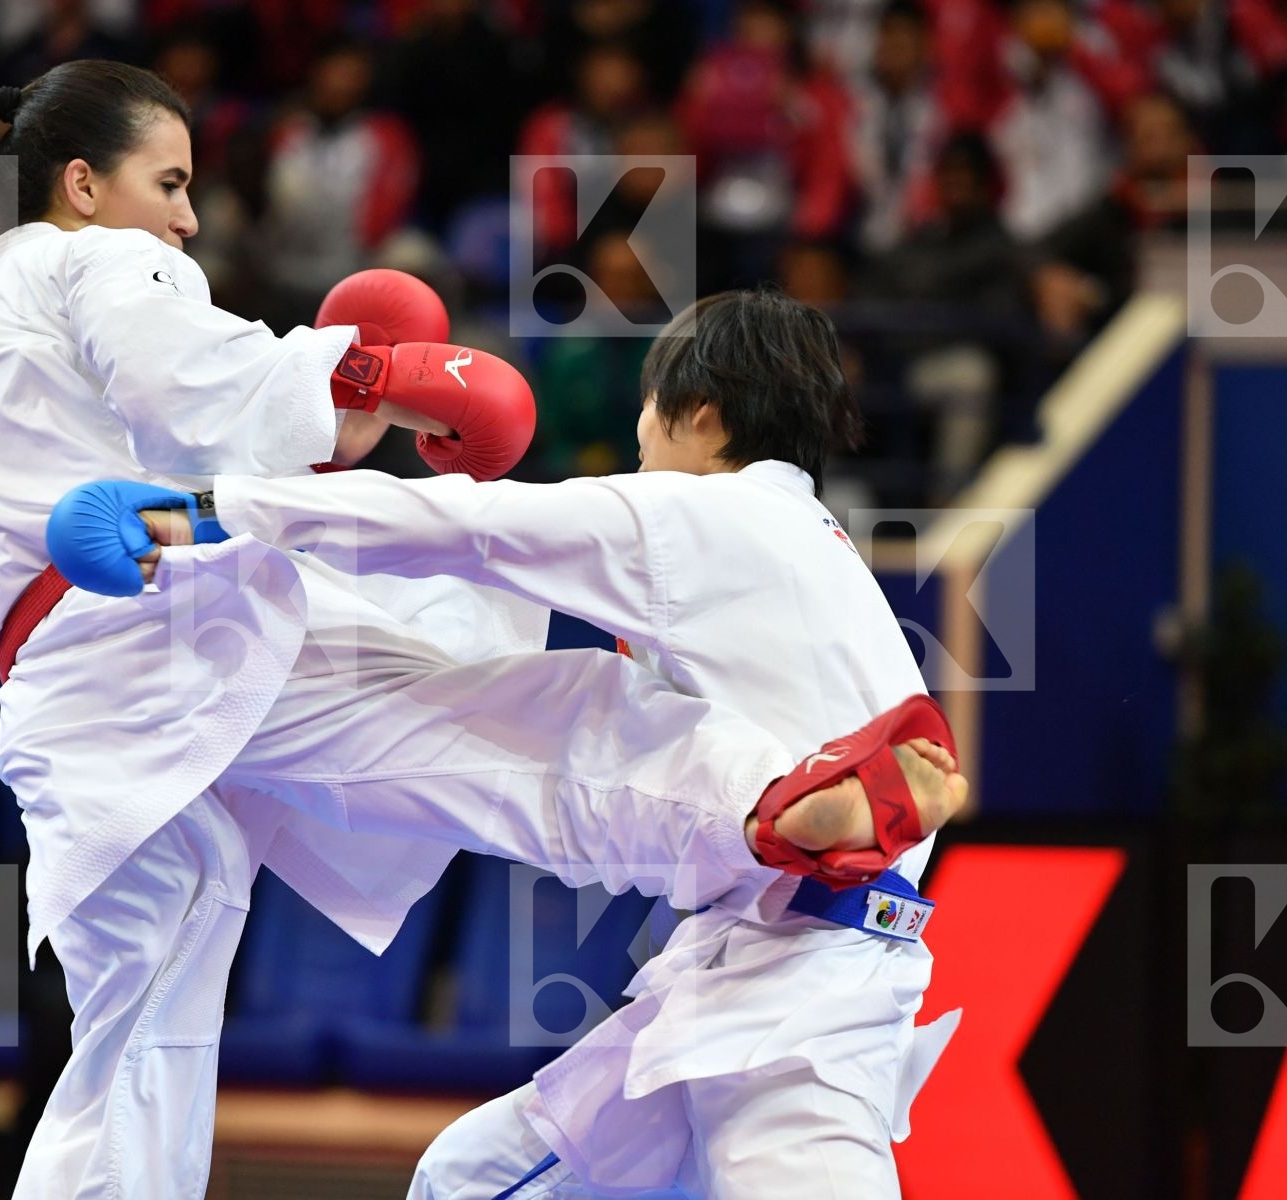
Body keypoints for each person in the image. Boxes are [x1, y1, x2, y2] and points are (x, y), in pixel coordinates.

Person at [0, 60, 963, 1199]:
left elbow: (184, 424)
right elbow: (207, 388)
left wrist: (324, 415)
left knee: (137, 1039)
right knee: (517, 717)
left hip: (77, 721)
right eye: (171, 182)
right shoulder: (92, 260)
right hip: (189, 638)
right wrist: (362, 378)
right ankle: (781, 800)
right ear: (83, 185)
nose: (190, 219)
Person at [65, 288, 969, 1199]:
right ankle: (812, 816)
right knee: (466, 1182)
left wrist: (211, 509)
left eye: (649, 415)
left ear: (701, 413)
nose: (641, 441)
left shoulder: (701, 515)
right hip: (762, 960)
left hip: (807, 999)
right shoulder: (818, 546)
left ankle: (814, 819)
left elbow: (465, 530)